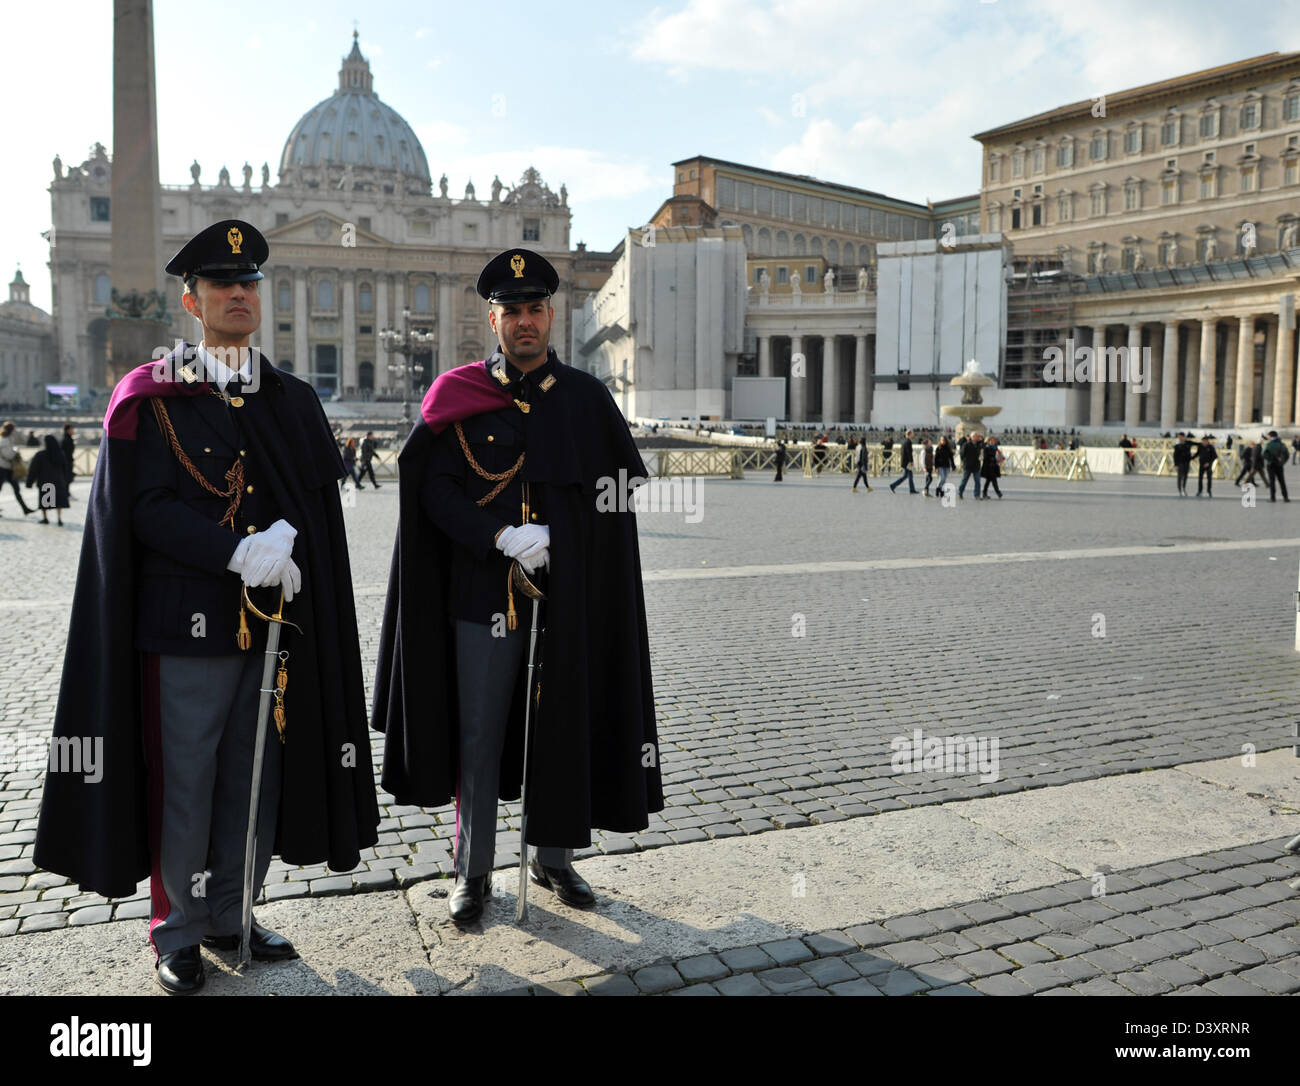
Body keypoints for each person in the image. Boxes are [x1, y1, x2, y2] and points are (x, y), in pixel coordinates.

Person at [33, 219, 379, 995]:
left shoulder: (289, 399)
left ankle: (233, 911)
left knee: (250, 785)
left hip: (272, 630)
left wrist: (292, 555)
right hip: (184, 628)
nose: (238, 295)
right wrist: (235, 552)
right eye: (222, 285)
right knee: (183, 784)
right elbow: (146, 509)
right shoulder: (154, 395)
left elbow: (315, 507)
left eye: (249, 283)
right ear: (191, 301)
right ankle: (177, 928)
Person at [371, 248, 664, 926]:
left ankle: (554, 856)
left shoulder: (589, 400)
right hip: (483, 598)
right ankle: (471, 870)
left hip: (569, 602)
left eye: (536, 309)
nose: (525, 322)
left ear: (551, 314)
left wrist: (570, 538)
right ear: (493, 318)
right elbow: (434, 491)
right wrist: (497, 537)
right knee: (478, 735)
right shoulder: (457, 395)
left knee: (562, 726)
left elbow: (616, 494)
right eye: (513, 311)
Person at [26, 434, 69, 524]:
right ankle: (59, 518)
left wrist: (29, 482)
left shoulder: (40, 455)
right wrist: (65, 481)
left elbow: (33, 469)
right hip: (58, 481)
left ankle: (45, 518)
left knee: (45, 501)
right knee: (58, 501)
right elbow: (65, 469)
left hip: (45, 481)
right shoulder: (60, 454)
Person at [0, 421, 35, 516]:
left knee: (16, 489)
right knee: (14, 489)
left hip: (8, 468)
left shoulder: (7, 439)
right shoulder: (4, 440)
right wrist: (15, 451)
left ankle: (25, 508)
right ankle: (25, 509)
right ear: (11, 430)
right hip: (3, 468)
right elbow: (8, 455)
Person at [1263, 430, 1290, 502]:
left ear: (1271, 436)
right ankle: (1285, 497)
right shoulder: (1282, 444)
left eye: (1268, 436)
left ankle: (1273, 498)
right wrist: (1282, 462)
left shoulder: (1269, 445)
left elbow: (1264, 454)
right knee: (1282, 481)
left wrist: (1271, 459)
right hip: (1279, 465)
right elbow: (1287, 455)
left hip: (1271, 465)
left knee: (1272, 481)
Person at [889, 428, 918, 493]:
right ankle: (894, 485)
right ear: (909, 434)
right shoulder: (908, 442)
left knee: (907, 476)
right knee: (908, 476)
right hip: (907, 462)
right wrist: (911, 461)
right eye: (912, 433)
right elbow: (909, 452)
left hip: (905, 461)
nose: (913, 434)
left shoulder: (904, 441)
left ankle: (894, 485)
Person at [957, 432, 983, 499]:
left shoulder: (978, 444)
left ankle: (977, 495)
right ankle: (960, 492)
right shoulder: (966, 444)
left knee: (977, 481)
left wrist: (981, 440)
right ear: (973, 437)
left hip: (976, 465)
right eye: (977, 436)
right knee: (964, 480)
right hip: (968, 465)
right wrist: (964, 461)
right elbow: (962, 453)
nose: (978, 437)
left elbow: (984, 445)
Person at [1171, 432, 1193, 496]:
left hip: (1186, 463)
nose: (1180, 438)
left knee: (1185, 476)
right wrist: (1176, 465)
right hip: (1180, 463)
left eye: (1181, 437)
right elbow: (1175, 456)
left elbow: (1197, 444)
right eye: (1179, 437)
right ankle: (1180, 490)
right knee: (1180, 477)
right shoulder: (1177, 446)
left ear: (1184, 437)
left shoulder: (1188, 444)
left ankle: (1184, 488)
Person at [61, 424, 77, 489]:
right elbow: (67, 452)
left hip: (67, 461)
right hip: (67, 461)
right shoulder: (67, 439)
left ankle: (66, 493)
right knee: (67, 478)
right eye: (72, 429)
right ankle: (66, 493)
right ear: (68, 430)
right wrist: (71, 460)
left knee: (67, 478)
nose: (73, 431)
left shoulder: (67, 438)